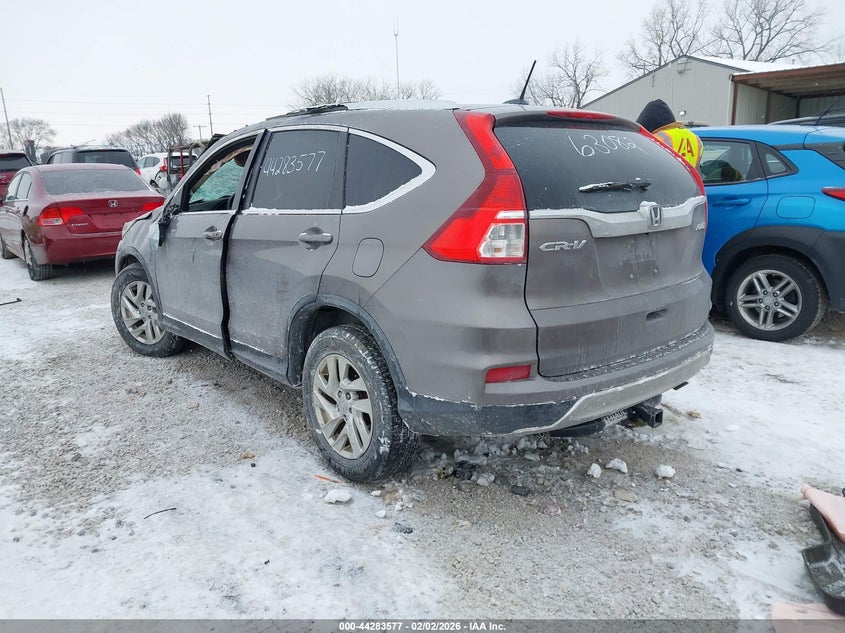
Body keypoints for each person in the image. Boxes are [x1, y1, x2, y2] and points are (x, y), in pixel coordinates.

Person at [636, 99, 703, 169]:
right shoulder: (695, 139)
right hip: (689, 180)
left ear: (649, 124)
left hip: (664, 179)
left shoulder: (656, 139)